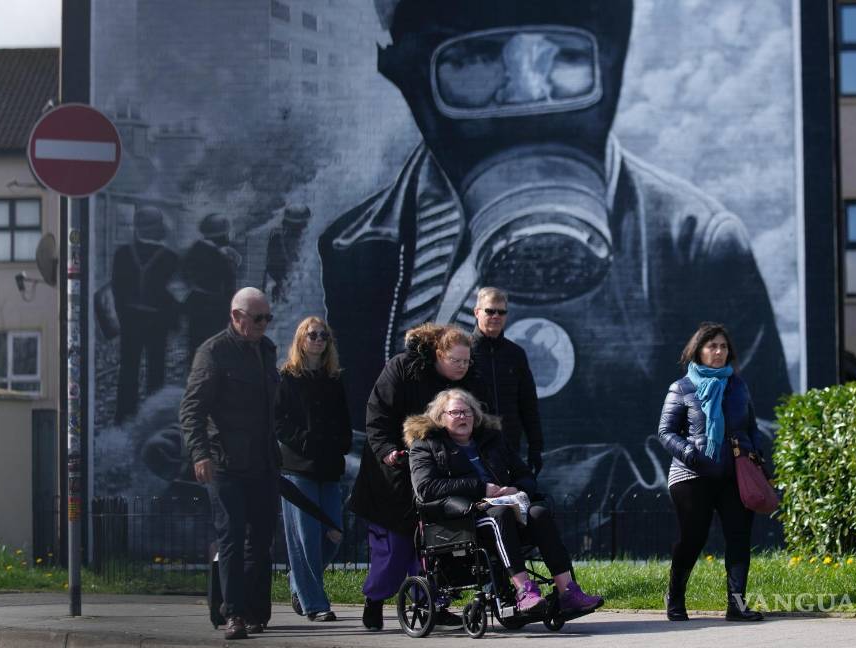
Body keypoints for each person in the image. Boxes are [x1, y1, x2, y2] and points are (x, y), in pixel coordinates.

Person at [318, 0, 791, 504]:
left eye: (563, 57)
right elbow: (359, 429)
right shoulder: (361, 249)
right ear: (407, 74)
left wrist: (569, 491)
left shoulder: (692, 245)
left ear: (612, 63)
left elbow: (762, 434)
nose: (527, 93)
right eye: (476, 58)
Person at [406, 388, 603, 614]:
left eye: (467, 412)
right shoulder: (425, 445)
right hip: (465, 517)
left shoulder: (492, 440)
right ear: (440, 417)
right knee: (500, 515)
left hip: (507, 505)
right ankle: (524, 590)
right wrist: (481, 488)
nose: (463, 417)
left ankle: (567, 591)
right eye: (455, 413)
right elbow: (426, 488)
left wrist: (516, 488)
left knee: (539, 513)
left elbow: (526, 475)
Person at [348, 323, 481, 630]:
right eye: (456, 361)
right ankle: (376, 598)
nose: (463, 366)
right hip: (394, 474)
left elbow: (480, 417)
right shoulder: (402, 368)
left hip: (440, 472)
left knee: (436, 547)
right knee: (394, 548)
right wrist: (387, 451)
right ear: (438, 355)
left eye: (466, 361)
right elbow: (377, 414)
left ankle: (434, 604)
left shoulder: (470, 380)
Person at [180, 287, 280, 640]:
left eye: (268, 317)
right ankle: (233, 614)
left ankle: (256, 613)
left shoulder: (267, 351)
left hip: (263, 463)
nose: (264, 324)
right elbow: (192, 409)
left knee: (261, 541)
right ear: (236, 316)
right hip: (226, 464)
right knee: (233, 538)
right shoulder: (213, 352)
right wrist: (200, 453)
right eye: (257, 318)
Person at [657, 322, 767, 622]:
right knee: (693, 537)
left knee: (739, 536)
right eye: (712, 346)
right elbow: (666, 432)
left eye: (723, 346)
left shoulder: (738, 385)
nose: (718, 352)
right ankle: (675, 596)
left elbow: (751, 427)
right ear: (699, 350)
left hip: (734, 471)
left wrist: (756, 454)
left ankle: (737, 604)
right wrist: (693, 455)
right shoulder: (682, 387)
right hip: (693, 473)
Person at [276, 316, 353, 623]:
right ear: (301, 340)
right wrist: (304, 441)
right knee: (306, 539)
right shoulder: (288, 377)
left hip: (330, 467)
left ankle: (298, 582)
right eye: (313, 335)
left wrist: (342, 443)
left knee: (334, 535)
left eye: (324, 336)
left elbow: (344, 419)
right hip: (298, 469)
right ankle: (315, 604)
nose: (319, 340)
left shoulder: (333, 379)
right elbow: (278, 421)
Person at [112, 206, 179, 423]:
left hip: (130, 320)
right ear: (159, 229)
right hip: (157, 321)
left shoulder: (121, 254)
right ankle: (153, 416)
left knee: (128, 368)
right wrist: (173, 323)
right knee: (156, 369)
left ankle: (124, 415)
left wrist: (122, 317)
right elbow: (173, 296)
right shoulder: (170, 258)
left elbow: (116, 289)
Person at [470, 287, 544, 474]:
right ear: (477, 312)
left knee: (509, 499)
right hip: (471, 445)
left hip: (509, 445)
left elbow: (528, 403)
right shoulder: (462, 351)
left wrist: (535, 447)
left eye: (501, 312)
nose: (496, 316)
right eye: (490, 311)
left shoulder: (515, 354)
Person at [182, 212, 241, 366]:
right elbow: (229, 285)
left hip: (196, 306)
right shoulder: (221, 257)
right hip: (216, 308)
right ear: (220, 235)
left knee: (195, 345)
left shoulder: (192, 251)